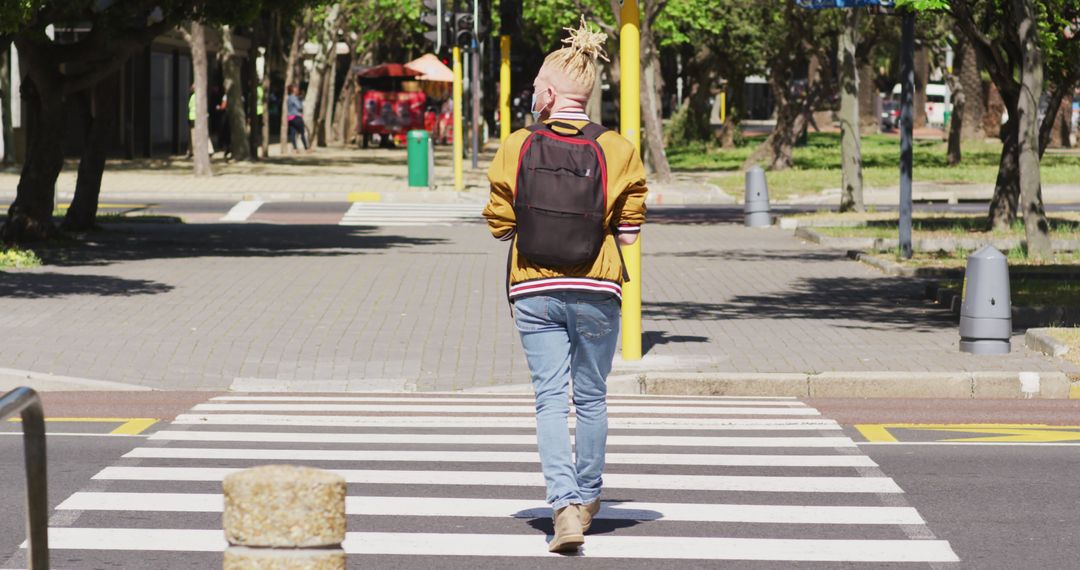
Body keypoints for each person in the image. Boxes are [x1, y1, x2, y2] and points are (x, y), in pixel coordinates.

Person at [482, 17, 647, 554]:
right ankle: (589, 497)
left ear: (550, 94)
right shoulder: (618, 150)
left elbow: (499, 223)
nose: (532, 94)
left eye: (534, 87)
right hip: (598, 288)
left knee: (551, 400)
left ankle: (563, 508)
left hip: (534, 288)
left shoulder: (516, 146)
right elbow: (628, 231)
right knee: (593, 396)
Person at [286, 85, 310, 153]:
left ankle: (295, 149)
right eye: (296, 89)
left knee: (293, 133)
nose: (297, 90)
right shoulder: (294, 98)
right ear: (293, 90)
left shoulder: (289, 98)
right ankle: (306, 148)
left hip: (290, 118)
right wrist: (301, 102)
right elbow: (299, 107)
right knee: (302, 133)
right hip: (296, 117)